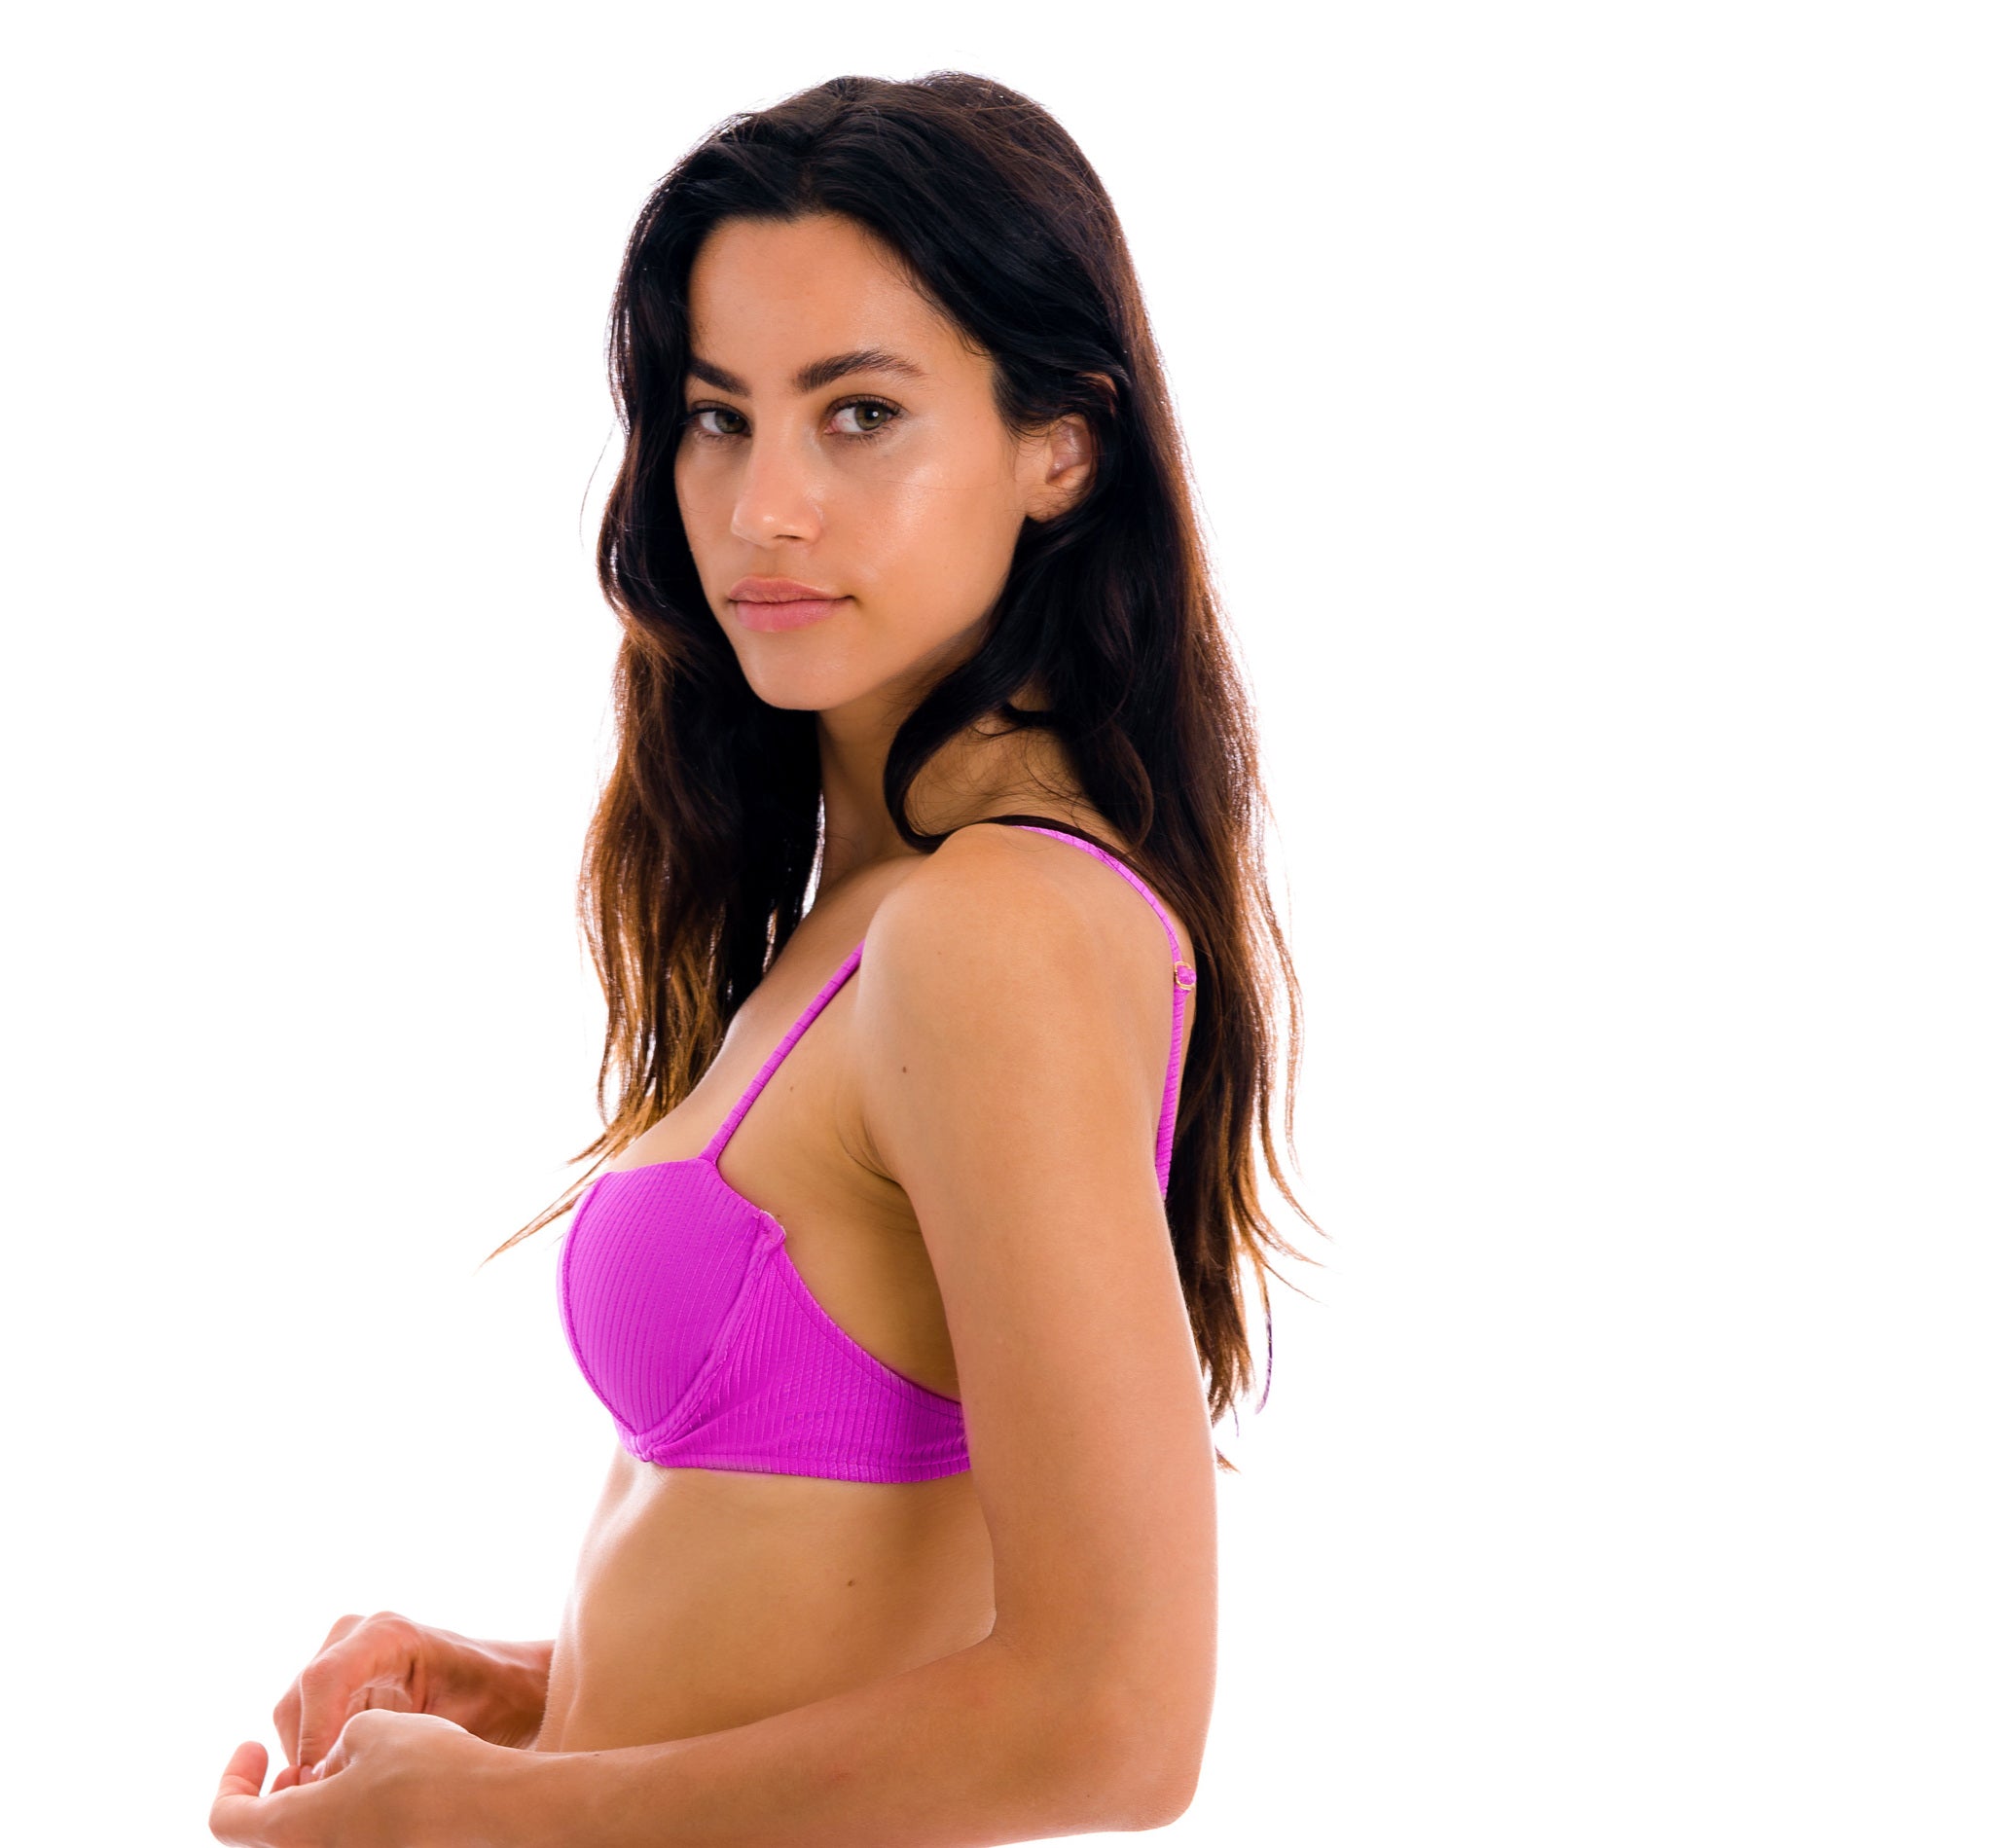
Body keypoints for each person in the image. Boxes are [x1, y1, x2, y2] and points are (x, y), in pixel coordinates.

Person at [212, 69, 1318, 1847]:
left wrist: (505, 1823)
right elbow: (872, 1587)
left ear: (1063, 444)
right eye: (717, 418)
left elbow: (1112, 1723)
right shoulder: (873, 912)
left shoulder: (995, 931)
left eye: (860, 414)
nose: (763, 509)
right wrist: (537, 1702)